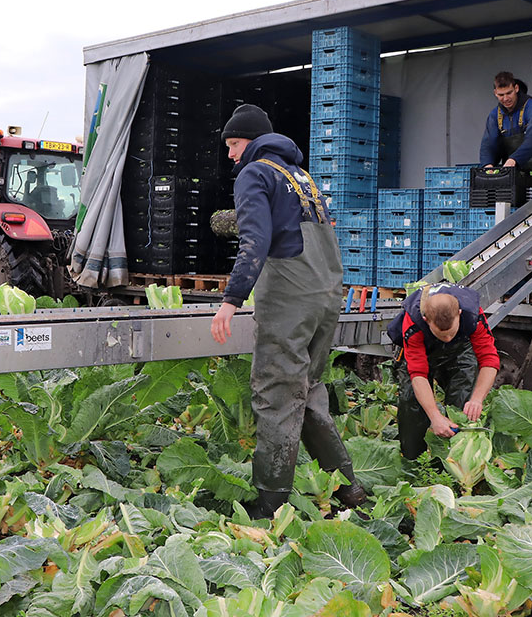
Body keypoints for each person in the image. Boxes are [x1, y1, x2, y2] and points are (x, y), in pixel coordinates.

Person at [210, 103, 365, 519]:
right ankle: (349, 489)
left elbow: (255, 240)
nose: (231, 154)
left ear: (253, 141)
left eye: (234, 144)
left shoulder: (255, 173)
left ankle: (269, 504)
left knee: (278, 396)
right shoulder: (302, 177)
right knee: (308, 393)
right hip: (326, 296)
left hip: (290, 300)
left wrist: (230, 300)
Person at [386, 283, 500, 460]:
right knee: (411, 401)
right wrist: (435, 417)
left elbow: (490, 360)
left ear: (459, 315)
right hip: (423, 348)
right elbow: (418, 374)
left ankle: (453, 459)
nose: (447, 338)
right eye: (442, 335)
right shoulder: (414, 323)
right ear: (426, 320)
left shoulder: (473, 317)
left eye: (450, 333)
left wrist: (477, 399)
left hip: (460, 348)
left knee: (463, 398)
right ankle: (415, 461)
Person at [480, 71, 532, 186]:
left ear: (516, 88)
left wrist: (514, 160)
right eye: (501, 95)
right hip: (514, 176)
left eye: (509, 93)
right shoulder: (494, 115)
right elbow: (488, 143)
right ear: (495, 93)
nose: (506, 98)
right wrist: (487, 165)